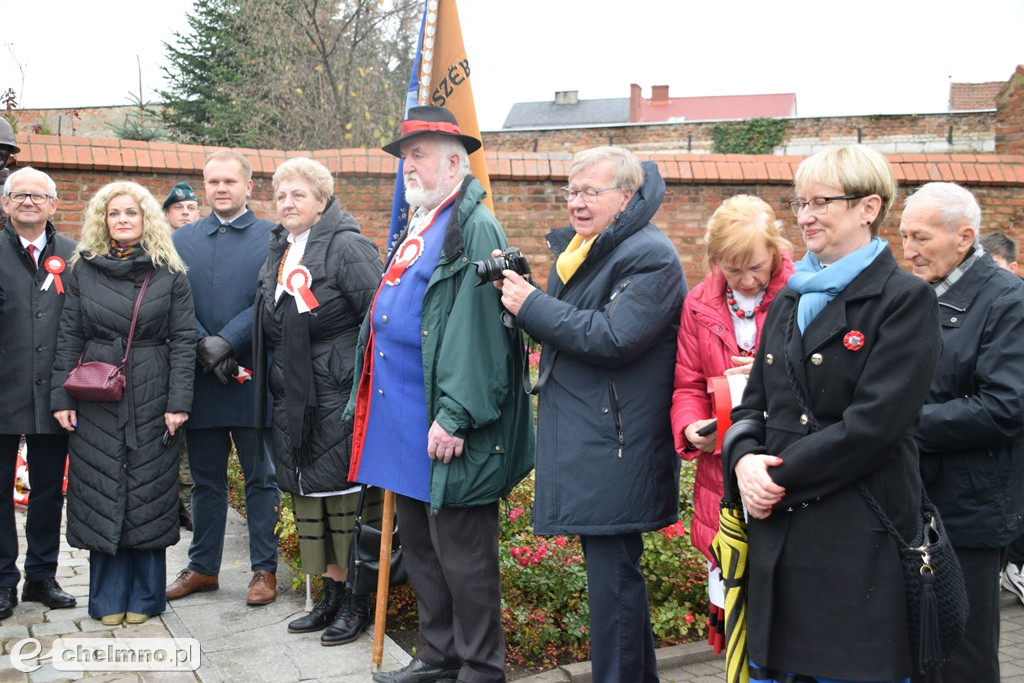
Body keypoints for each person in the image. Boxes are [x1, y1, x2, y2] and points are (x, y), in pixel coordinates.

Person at [725, 145, 942, 682]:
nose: (804, 217)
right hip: (779, 539)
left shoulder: (904, 299)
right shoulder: (791, 298)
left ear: (869, 207)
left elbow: (874, 428)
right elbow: (754, 405)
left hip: (856, 542)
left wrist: (771, 476)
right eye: (799, 202)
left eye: (821, 202)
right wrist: (743, 459)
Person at [348, 105, 534, 683]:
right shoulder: (422, 219)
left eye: (420, 155)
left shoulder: (473, 225)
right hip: (400, 414)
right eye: (406, 156)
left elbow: (480, 331)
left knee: (464, 555)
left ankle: (480, 667)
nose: (409, 166)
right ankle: (439, 655)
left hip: (446, 419)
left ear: (455, 162)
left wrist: (454, 415)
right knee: (424, 550)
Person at [497, 146, 685, 683]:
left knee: (615, 586)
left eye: (589, 193)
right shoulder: (588, 249)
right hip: (597, 438)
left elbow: (614, 336)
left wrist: (530, 303)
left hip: (616, 444)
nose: (576, 204)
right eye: (571, 192)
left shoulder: (649, 255)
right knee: (613, 584)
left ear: (626, 197)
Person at [50, 181, 196, 625]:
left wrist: (178, 402)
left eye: (131, 212)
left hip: (152, 388)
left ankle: (147, 598)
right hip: (96, 389)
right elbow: (69, 335)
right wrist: (61, 396)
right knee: (99, 485)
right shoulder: (82, 269)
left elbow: (184, 340)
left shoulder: (169, 271)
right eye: (114, 213)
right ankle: (108, 598)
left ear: (145, 217)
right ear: (103, 220)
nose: (123, 220)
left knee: (150, 490)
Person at [252, 157, 384, 645]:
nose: (288, 203)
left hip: (338, 397)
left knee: (346, 503)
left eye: (298, 195)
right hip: (295, 398)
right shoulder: (281, 249)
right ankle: (331, 594)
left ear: (322, 200)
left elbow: (379, 314)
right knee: (313, 499)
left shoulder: (348, 247)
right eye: (282, 195)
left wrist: (349, 376)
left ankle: (357, 602)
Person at [899, 181, 1024, 683]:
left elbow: (1005, 406)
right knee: (920, 646)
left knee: (963, 653)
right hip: (914, 496)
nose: (908, 250)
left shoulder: (1007, 300)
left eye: (921, 238)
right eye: (904, 235)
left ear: (964, 237)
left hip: (970, 510)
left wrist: (901, 425)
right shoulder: (917, 293)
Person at [669, 194, 793, 650]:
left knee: (786, 611)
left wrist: (767, 368)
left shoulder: (803, 295)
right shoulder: (698, 303)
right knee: (734, 610)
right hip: (720, 472)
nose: (745, 279)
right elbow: (686, 384)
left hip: (781, 462)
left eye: (756, 267)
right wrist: (688, 427)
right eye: (732, 268)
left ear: (777, 251)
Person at [168, 150, 281, 606]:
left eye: (229, 181)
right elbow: (174, 300)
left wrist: (227, 342)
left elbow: (271, 298)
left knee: (260, 478)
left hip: (250, 377)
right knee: (206, 481)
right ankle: (202, 568)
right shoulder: (183, 239)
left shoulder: (273, 238)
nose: (220, 189)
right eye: (212, 181)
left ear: (248, 186)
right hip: (202, 377)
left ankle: (264, 570)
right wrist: (204, 345)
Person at [0, 167, 77, 620]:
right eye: (19, 194)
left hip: (56, 395)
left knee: (50, 490)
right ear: (5, 203)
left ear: (53, 204)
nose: (28, 201)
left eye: (38, 195)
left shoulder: (74, 254)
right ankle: (3, 581)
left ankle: (41, 577)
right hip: (3, 390)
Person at [163, 181, 200, 531]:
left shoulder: (203, 244)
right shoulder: (162, 249)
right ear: (167, 214)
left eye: (191, 208)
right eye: (179, 209)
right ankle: (171, 498)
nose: (186, 213)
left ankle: (186, 496)